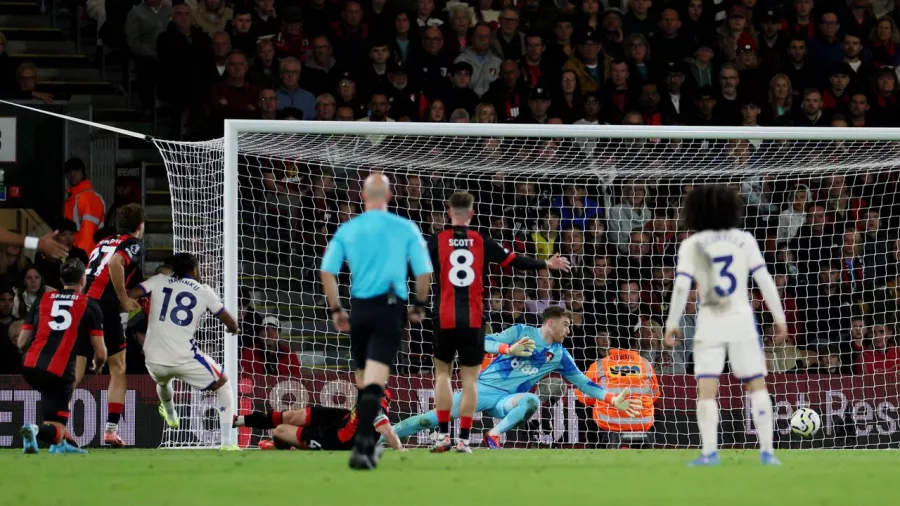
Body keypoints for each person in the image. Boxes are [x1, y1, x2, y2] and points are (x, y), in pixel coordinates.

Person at [427, 192, 571, 453]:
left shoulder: (436, 241)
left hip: (444, 316)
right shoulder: (482, 241)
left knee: (443, 378)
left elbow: (418, 268)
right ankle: (463, 439)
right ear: (471, 214)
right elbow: (514, 261)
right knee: (470, 380)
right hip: (472, 318)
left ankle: (442, 436)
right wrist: (546, 263)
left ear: (449, 213)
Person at [392, 306, 641, 448]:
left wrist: (611, 398)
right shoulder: (521, 331)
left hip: (506, 401)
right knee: (427, 421)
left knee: (530, 401)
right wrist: (509, 350)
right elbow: (485, 342)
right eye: (565, 324)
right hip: (480, 391)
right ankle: (382, 436)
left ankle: (494, 434)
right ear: (551, 323)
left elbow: (583, 383)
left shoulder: (560, 355)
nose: (568, 330)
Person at [663, 184, 786, 466]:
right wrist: (779, 318)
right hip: (742, 318)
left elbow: (682, 286)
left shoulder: (691, 244)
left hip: (710, 320)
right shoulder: (744, 240)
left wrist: (671, 323)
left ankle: (709, 453)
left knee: (707, 386)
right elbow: (764, 280)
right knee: (756, 384)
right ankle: (767, 453)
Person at [319, 173, 433, 470]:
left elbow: (327, 271)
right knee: (374, 383)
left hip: (360, 310)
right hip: (389, 308)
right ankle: (362, 447)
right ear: (390, 196)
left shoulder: (348, 229)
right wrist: (419, 304)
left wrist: (336, 310)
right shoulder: (405, 227)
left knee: (362, 383)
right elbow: (424, 272)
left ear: (362, 197)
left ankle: (367, 443)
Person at [126, 253, 240, 449]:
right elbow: (229, 320)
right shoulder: (204, 290)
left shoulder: (159, 280)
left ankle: (170, 412)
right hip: (184, 358)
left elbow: (131, 294)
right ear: (195, 270)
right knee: (222, 383)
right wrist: (233, 329)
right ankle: (228, 443)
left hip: (153, 358)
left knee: (163, 380)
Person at [17, 258, 107, 454]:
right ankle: (35, 430)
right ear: (83, 280)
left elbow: (21, 342)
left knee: (52, 406)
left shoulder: (44, 299)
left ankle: (40, 444)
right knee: (59, 426)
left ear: (60, 279)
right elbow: (100, 352)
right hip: (59, 371)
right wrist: (98, 365)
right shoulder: (89, 305)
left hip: (30, 366)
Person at [74, 203, 145, 447]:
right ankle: (111, 430)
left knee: (79, 366)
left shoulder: (103, 242)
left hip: (82, 302)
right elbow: (116, 264)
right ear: (140, 226)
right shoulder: (133, 244)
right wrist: (123, 299)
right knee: (118, 367)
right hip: (103, 305)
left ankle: (54, 422)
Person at [234, 399, 405, 452]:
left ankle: (282, 446)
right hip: (343, 419)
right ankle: (240, 420)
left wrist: (400, 450)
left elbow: (387, 430)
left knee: (279, 430)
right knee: (292, 416)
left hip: (338, 440)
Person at [62, 157, 106, 254]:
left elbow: (87, 234)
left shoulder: (89, 197)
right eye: (69, 172)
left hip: (85, 257)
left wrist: (81, 259)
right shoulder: (74, 197)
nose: (72, 174)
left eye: (76, 170)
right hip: (75, 254)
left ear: (84, 172)